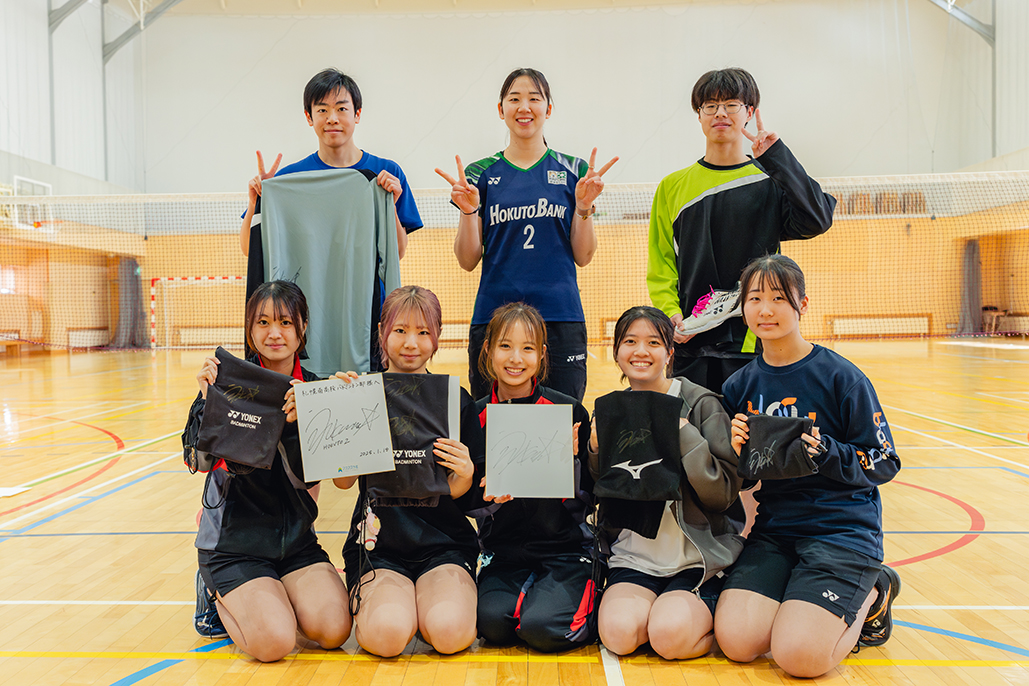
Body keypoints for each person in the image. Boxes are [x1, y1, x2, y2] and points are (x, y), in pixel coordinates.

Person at [714, 254, 901, 678]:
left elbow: (885, 461)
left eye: (779, 298)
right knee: (737, 642)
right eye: (755, 298)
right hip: (776, 531)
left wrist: (826, 451)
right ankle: (799, 597)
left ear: (803, 304)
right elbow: (744, 480)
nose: (765, 310)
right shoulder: (739, 385)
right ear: (742, 308)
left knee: (799, 656)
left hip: (841, 532)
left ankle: (874, 590)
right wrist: (737, 453)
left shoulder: (841, 377)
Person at [183, 280, 352, 662]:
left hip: (295, 543)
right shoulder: (228, 384)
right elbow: (198, 462)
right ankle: (214, 593)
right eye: (263, 322)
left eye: (285, 323)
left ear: (302, 327)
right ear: (250, 329)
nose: (274, 333)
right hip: (234, 546)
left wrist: (342, 407)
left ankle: (275, 593)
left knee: (334, 630)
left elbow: (340, 477)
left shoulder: (319, 391)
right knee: (274, 642)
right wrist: (209, 401)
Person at [646, 67, 835, 394]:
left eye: (731, 104)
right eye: (710, 105)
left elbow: (816, 219)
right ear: (699, 115)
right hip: (692, 339)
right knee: (694, 426)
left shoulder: (769, 179)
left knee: (749, 426)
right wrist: (670, 312)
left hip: (754, 339)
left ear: (749, 112)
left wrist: (776, 157)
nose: (720, 113)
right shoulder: (672, 187)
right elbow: (661, 262)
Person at [436, 67, 617, 402]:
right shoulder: (479, 174)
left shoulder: (575, 171)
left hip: (559, 316)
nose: (524, 107)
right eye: (514, 99)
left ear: (548, 109)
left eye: (534, 99)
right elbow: (467, 260)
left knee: (562, 420)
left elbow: (583, 256)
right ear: (500, 109)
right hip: (495, 317)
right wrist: (468, 211)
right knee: (492, 422)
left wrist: (583, 207)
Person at [333, 285, 484, 657]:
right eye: (400, 330)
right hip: (379, 547)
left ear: (437, 337)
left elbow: (463, 495)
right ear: (382, 333)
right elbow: (343, 481)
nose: (411, 343)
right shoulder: (360, 393)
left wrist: (465, 473)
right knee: (385, 635)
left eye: (423, 331)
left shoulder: (455, 399)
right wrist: (340, 409)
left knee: (450, 634)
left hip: (444, 544)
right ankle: (404, 611)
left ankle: (425, 610)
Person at [240, 68, 423, 370]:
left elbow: (397, 252)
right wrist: (258, 201)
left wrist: (389, 203)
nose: (332, 118)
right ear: (309, 117)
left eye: (341, 109)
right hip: (303, 316)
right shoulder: (289, 179)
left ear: (357, 114)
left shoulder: (383, 174)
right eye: (322, 110)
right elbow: (251, 249)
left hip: (362, 315)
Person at [587, 306, 743, 659]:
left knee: (669, 636)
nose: (641, 351)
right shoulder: (611, 409)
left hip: (696, 560)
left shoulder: (700, 404)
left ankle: (708, 618)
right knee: (618, 636)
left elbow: (722, 494)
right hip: (634, 559)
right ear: (616, 352)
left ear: (670, 353)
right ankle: (663, 613)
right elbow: (604, 490)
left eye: (653, 342)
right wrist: (595, 450)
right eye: (630, 341)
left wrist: (685, 436)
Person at [470, 302, 597, 653]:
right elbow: (465, 500)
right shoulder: (475, 416)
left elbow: (589, 497)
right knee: (491, 625)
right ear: (488, 350)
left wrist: (572, 463)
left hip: (565, 551)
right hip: (504, 555)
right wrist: (485, 498)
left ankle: (587, 590)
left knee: (543, 629)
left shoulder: (568, 411)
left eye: (527, 348)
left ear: (541, 355)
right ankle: (527, 597)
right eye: (505, 346)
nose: (515, 359)